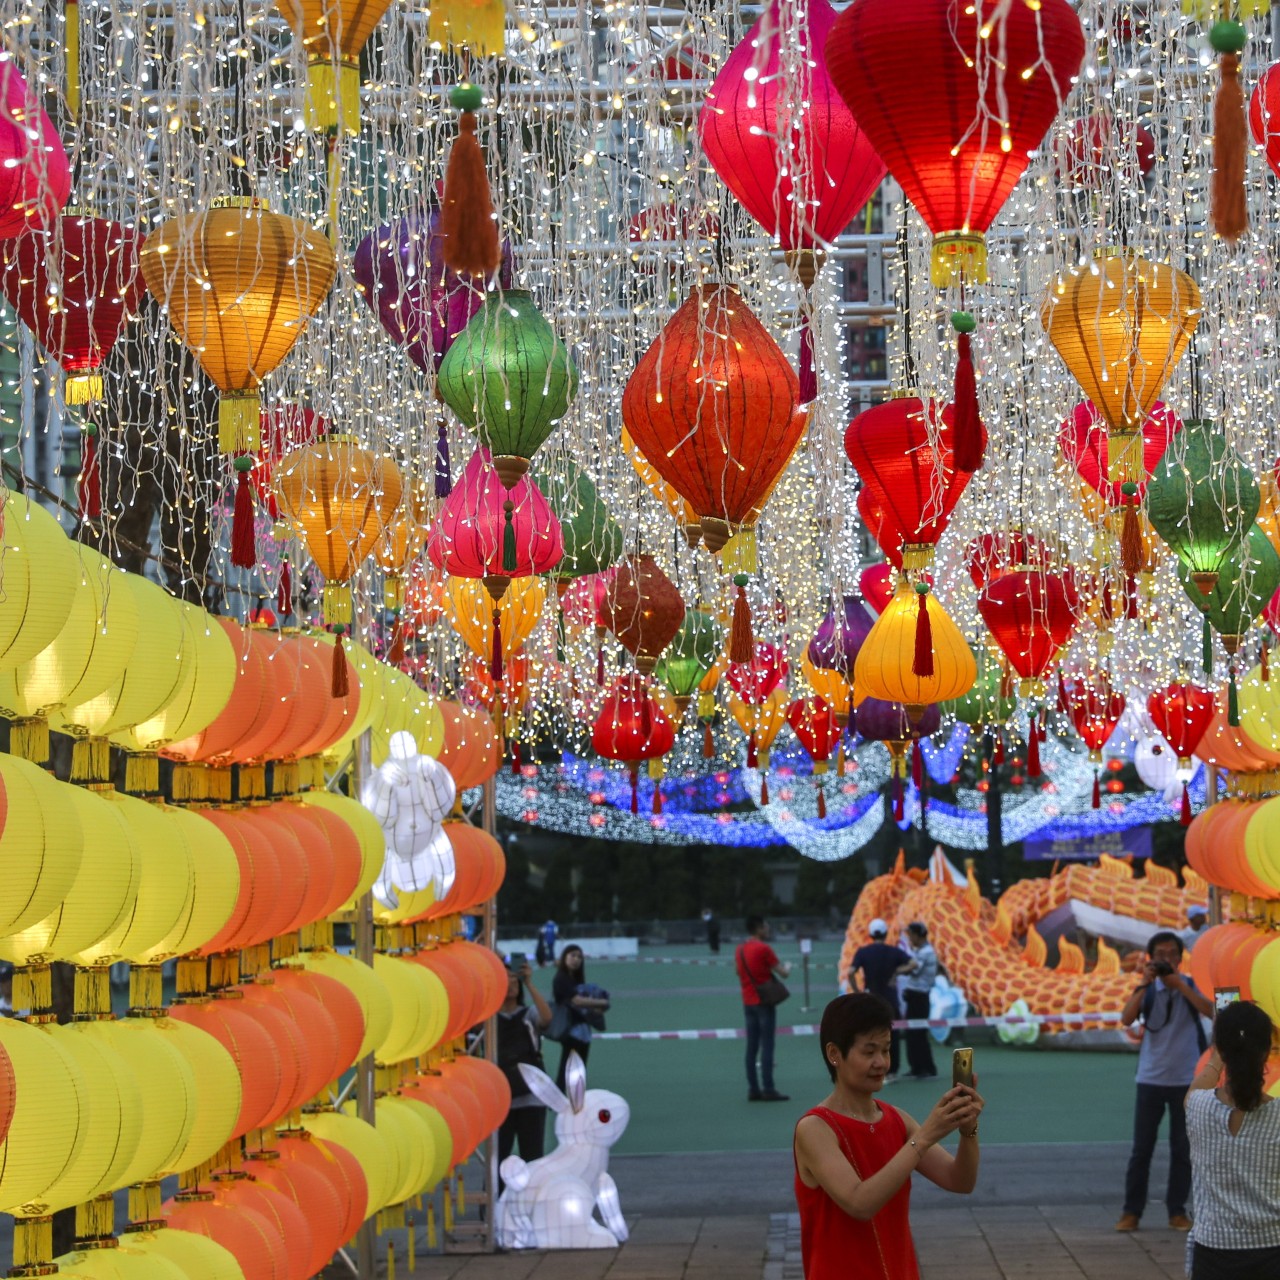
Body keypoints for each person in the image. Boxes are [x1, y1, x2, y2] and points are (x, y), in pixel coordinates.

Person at [793, 993, 983, 1280]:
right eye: (869, 1052)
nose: (882, 1062)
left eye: (886, 1049)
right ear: (834, 1054)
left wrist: (968, 1129)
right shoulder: (815, 1128)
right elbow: (859, 1204)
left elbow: (961, 1180)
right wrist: (926, 1136)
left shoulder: (896, 1119)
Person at [1116, 930, 1214, 1233]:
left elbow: (1212, 1011)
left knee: (1182, 1149)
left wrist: (1179, 987)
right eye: (1160, 954)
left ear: (1181, 958)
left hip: (1186, 1079)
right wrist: (1146, 982)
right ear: (1151, 958)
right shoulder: (1147, 989)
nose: (1166, 959)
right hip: (1150, 1078)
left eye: (1172, 954)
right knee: (1141, 1149)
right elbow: (1126, 1019)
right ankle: (1131, 1212)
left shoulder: (1192, 984)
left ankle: (1177, 1211)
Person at [1184, 1000, 1280, 1278]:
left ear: (1221, 1047)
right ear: (1267, 1052)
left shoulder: (1197, 1106)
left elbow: (1196, 1089)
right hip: (1272, 1250)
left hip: (1212, 1253)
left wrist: (1218, 1055)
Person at [496, 958, 553, 1174]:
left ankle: (535, 1203)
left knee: (533, 1156)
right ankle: (497, 1202)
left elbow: (547, 1019)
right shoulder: (488, 1018)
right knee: (500, 1157)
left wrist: (529, 982)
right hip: (501, 1097)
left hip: (531, 1095)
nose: (511, 984)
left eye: (514, 980)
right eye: (505, 979)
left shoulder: (528, 1014)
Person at [737, 914, 793, 1102]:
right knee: (767, 1045)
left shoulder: (740, 949)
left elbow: (738, 972)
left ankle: (753, 1088)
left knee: (751, 1047)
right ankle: (768, 1088)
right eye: (766, 926)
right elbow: (783, 973)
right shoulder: (764, 949)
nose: (768, 929)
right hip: (764, 1002)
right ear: (759, 928)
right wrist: (788, 966)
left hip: (748, 1002)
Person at [852, 919, 906, 1082]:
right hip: (890, 1000)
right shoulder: (894, 951)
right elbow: (913, 963)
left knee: (870, 1036)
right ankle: (892, 1071)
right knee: (893, 1036)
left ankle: (872, 1069)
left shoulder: (863, 952)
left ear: (870, 934)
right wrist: (896, 973)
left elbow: (850, 971)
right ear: (886, 933)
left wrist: (857, 991)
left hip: (871, 1000)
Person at [551, 944, 610, 1090]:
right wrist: (601, 1002)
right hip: (570, 1030)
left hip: (583, 1030)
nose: (576, 960)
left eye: (579, 957)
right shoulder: (560, 978)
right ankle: (559, 1102)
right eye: (572, 956)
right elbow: (576, 1000)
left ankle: (575, 1101)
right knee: (568, 1068)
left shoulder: (576, 980)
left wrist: (596, 1009)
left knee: (579, 1070)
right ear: (565, 957)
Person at [896, 923, 938, 1081]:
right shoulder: (920, 951)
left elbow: (913, 969)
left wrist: (895, 970)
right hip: (915, 996)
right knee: (912, 1032)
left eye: (911, 934)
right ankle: (916, 1067)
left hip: (919, 996)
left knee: (918, 1032)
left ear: (918, 935)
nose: (909, 938)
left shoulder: (926, 952)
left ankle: (926, 1068)